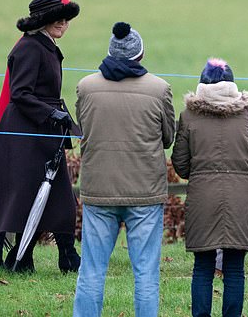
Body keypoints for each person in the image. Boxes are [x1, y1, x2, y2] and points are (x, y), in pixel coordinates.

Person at [73, 22, 175, 317]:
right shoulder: (159, 89)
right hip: (144, 191)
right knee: (145, 273)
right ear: (140, 55)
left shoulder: (86, 87)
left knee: (91, 269)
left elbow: (85, 129)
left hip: (99, 189)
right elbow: (167, 137)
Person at [0, 0, 81, 273]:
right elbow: (20, 94)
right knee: (14, 193)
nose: (63, 24)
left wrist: (54, 115)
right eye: (57, 19)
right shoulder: (29, 48)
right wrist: (51, 113)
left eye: (66, 19)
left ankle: (66, 256)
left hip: (42, 129)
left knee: (58, 194)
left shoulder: (44, 45)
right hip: (24, 131)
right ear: (42, 22)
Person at [172, 58, 248, 317]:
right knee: (234, 268)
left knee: (203, 267)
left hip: (201, 198)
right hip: (241, 198)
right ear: (231, 84)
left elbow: (181, 165)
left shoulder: (188, 115)